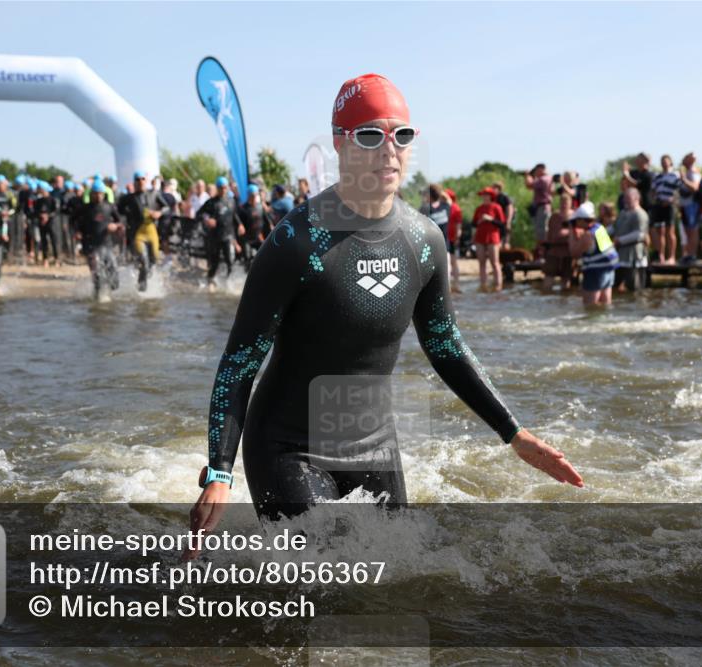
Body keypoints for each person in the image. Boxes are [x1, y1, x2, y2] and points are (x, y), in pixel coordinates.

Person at [187, 72, 582, 538]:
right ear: (340, 143)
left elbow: (446, 346)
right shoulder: (296, 241)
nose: (389, 149)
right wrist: (219, 471)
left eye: (402, 136)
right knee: (325, 579)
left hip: (374, 445)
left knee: (391, 583)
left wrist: (513, 432)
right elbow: (239, 362)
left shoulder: (423, 240)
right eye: (371, 135)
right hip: (288, 446)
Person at [75, 179, 124, 300]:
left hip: (106, 244)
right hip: (90, 245)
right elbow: (74, 221)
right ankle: (98, 298)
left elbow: (121, 221)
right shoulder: (84, 208)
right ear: (91, 194)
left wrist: (116, 226)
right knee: (97, 273)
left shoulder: (110, 207)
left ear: (104, 193)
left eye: (100, 193)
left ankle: (107, 293)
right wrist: (77, 232)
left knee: (114, 279)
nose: (98, 196)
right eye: (95, 193)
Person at [122, 171, 170, 291]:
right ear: (134, 182)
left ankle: (147, 284)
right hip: (137, 234)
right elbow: (118, 210)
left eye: (142, 179)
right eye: (138, 180)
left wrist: (159, 213)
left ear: (146, 181)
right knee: (144, 260)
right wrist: (126, 219)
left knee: (153, 260)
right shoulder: (129, 198)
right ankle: (141, 290)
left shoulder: (154, 194)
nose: (140, 182)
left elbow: (167, 207)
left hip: (152, 232)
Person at [568, 201, 617, 308]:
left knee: (590, 307)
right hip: (608, 270)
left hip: (595, 273)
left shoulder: (588, 235)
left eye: (576, 221)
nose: (575, 223)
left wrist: (571, 232)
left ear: (581, 220)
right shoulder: (599, 228)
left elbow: (574, 253)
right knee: (605, 305)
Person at [197, 176, 243, 288]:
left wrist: (240, 224)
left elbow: (234, 215)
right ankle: (210, 280)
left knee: (230, 261)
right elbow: (199, 214)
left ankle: (228, 283)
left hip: (228, 236)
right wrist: (207, 219)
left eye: (225, 187)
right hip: (215, 237)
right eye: (221, 188)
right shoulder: (211, 202)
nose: (223, 190)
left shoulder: (231, 201)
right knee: (215, 263)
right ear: (217, 188)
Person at [611, 187, 649, 292]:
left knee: (635, 289)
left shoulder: (640, 214)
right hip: (620, 257)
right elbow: (614, 228)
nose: (625, 200)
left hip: (635, 257)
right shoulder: (623, 213)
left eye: (628, 198)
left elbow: (639, 234)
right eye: (624, 198)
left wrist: (619, 240)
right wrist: (597, 231)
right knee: (615, 287)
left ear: (637, 198)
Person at [472, 186, 506, 292]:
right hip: (480, 237)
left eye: (486, 195)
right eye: (483, 195)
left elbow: (502, 224)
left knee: (495, 262)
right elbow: (473, 224)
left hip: (492, 237)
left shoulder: (496, 207)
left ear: (491, 196)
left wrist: (491, 219)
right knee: (481, 262)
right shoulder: (479, 208)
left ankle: (498, 285)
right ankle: (483, 285)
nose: (484, 196)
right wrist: (479, 222)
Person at [650, 155, 681, 264]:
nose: (664, 163)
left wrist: (672, 200)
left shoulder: (675, 175)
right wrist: (654, 199)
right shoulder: (658, 176)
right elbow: (653, 190)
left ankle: (671, 256)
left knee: (670, 231)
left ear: (670, 162)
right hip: (659, 205)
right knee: (660, 231)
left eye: (666, 161)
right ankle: (661, 256)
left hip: (670, 205)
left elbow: (679, 190)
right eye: (662, 161)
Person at [543, 193, 573, 290]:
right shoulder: (555, 216)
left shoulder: (574, 216)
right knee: (549, 277)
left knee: (566, 278)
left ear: (570, 203)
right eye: (562, 203)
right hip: (554, 251)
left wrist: (567, 233)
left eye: (566, 203)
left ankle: (564, 299)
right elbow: (552, 235)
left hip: (568, 252)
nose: (564, 205)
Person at [238, 184, 271, 271]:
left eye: (255, 195)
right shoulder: (243, 208)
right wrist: (239, 226)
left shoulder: (260, 207)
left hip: (258, 237)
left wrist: (271, 226)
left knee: (265, 257)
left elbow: (266, 219)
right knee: (247, 260)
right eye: (252, 195)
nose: (254, 197)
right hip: (246, 239)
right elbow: (238, 222)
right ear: (248, 195)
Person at [524, 164, 551, 257]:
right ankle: (541, 253)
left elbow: (529, 185)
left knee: (542, 233)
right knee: (540, 232)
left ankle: (542, 254)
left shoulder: (543, 179)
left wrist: (527, 175)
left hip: (542, 207)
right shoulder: (546, 178)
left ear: (541, 169)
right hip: (541, 207)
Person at [445, 187, 463, 293]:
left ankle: (456, 283)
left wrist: (457, 236)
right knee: (448, 262)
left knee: (453, 261)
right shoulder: (443, 207)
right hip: (444, 237)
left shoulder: (455, 208)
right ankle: (449, 284)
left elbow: (459, 224)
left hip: (452, 238)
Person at [491, 182, 515, 249]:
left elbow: (510, 209)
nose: (492, 189)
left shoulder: (504, 197)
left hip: (504, 221)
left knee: (505, 240)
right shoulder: (493, 198)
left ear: (498, 188)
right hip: (497, 222)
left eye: (494, 188)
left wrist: (508, 221)